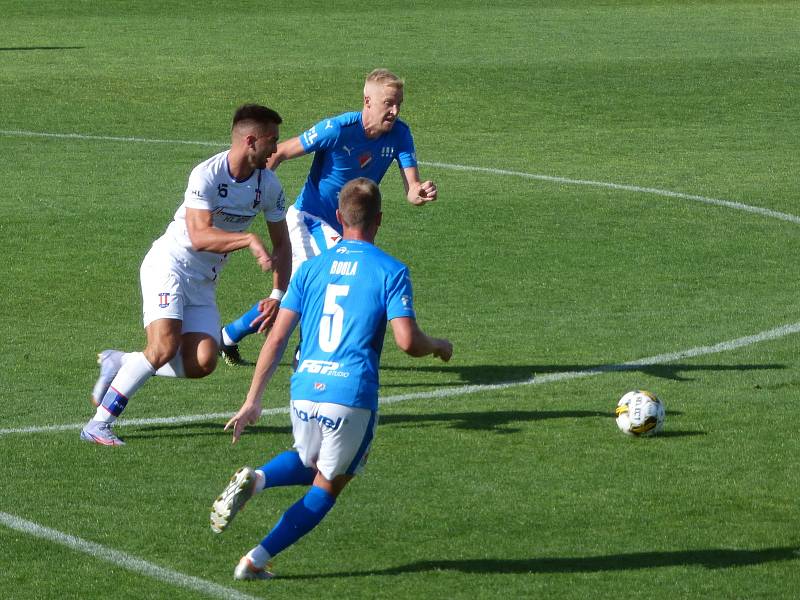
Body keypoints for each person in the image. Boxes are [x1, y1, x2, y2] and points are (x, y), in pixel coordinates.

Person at [209, 178, 452, 581]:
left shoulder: (312, 270)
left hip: (304, 389)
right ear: (380, 220)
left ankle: (260, 479)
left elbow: (278, 336)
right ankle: (255, 560)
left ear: (339, 218)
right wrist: (439, 344)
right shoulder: (390, 270)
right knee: (330, 482)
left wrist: (253, 400)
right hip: (350, 393)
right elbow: (408, 342)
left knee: (309, 461)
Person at [80, 104, 291, 446]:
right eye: (271, 141)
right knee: (163, 347)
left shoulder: (268, 185)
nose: (275, 149)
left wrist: (277, 294)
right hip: (170, 265)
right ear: (250, 140)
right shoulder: (206, 174)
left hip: (204, 281)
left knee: (203, 361)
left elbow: (283, 243)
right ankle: (99, 423)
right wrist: (248, 239)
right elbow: (199, 235)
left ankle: (124, 362)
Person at [218, 68, 439, 366]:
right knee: (337, 274)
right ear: (367, 101)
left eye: (399, 103)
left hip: (347, 225)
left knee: (290, 293)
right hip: (308, 219)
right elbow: (281, 151)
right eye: (388, 103)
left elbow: (411, 190)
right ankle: (304, 352)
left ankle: (228, 336)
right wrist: (257, 190)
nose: (395, 110)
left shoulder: (401, 135)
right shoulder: (337, 129)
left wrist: (420, 192)